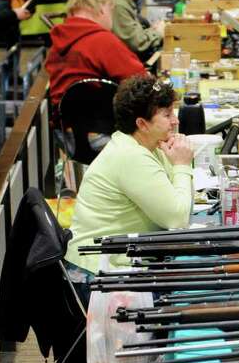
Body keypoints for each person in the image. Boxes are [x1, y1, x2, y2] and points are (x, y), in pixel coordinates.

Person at [66, 76, 195, 277]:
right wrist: (182, 165)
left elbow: (180, 203)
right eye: (167, 115)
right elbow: (177, 218)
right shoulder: (131, 156)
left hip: (120, 260)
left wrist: (177, 163)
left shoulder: (147, 144)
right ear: (142, 124)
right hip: (97, 272)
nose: (176, 121)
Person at [45, 0, 147, 109]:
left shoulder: (57, 42)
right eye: (111, 10)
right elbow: (141, 81)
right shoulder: (102, 40)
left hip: (63, 121)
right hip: (104, 121)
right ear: (102, 9)